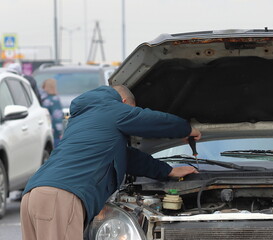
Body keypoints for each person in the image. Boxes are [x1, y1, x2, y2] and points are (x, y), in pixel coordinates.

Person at [20, 84, 201, 240]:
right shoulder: (112, 109)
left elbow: (128, 157)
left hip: (33, 195)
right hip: (61, 196)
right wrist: (186, 129)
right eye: (131, 109)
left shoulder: (85, 117)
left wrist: (167, 171)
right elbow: (151, 120)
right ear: (124, 103)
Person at [41, 78, 64, 147]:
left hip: (48, 129)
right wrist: (60, 132)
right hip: (53, 131)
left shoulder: (44, 99)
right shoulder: (55, 99)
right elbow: (58, 117)